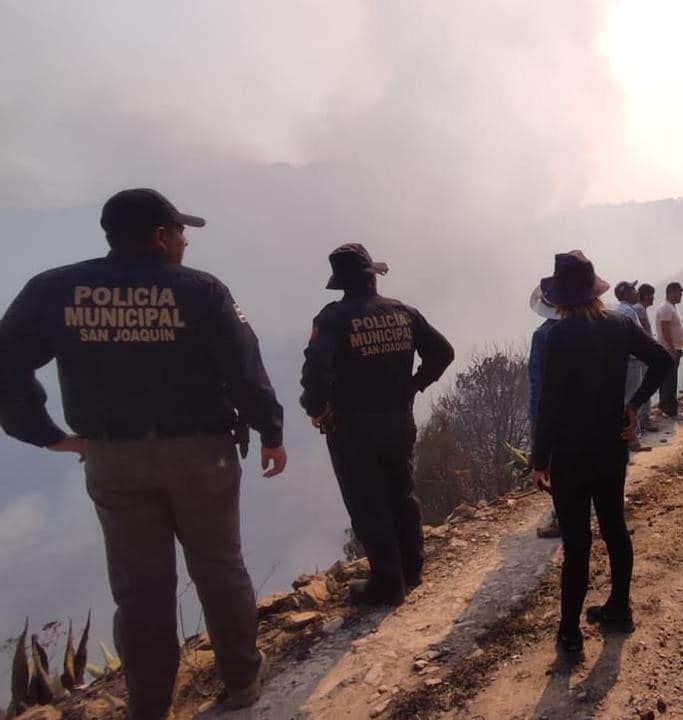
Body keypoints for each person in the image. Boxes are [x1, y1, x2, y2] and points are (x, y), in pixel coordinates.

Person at [0, 188, 287, 719]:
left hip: (115, 460)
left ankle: (150, 706)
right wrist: (271, 430)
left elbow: (4, 365)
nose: (184, 242)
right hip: (202, 455)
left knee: (140, 590)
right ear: (160, 237)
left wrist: (46, 433)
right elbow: (245, 371)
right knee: (220, 569)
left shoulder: (56, 290)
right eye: (180, 233)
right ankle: (243, 683)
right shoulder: (201, 291)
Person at [528, 250, 673, 659]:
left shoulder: (556, 338)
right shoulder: (619, 325)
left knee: (576, 543)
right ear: (594, 289)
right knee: (614, 528)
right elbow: (661, 360)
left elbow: (550, 406)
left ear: (559, 297)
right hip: (610, 444)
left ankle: (570, 634)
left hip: (569, 454)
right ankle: (619, 609)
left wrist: (539, 463)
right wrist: (633, 405)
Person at [300, 244, 454, 606]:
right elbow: (442, 352)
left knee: (367, 501)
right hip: (399, 418)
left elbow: (316, 371)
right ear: (372, 276)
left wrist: (316, 408)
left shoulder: (332, 319)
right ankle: (412, 567)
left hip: (352, 426)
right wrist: (415, 385)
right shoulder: (402, 311)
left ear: (340, 283)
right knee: (401, 491)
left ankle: (387, 583)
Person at [528, 285, 561, 539]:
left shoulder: (543, 335)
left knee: (555, 466)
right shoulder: (587, 327)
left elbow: (537, 381)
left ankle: (561, 516)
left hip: (553, 412)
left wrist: (535, 421)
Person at [612, 281, 648, 450]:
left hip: (622, 360)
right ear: (625, 293)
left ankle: (629, 436)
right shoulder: (628, 311)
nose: (636, 292)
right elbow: (638, 338)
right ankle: (632, 438)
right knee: (631, 399)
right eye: (632, 289)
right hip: (632, 360)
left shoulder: (617, 310)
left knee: (625, 397)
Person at [654, 282, 683, 418]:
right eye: (679, 292)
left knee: (667, 379)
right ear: (672, 292)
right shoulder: (666, 308)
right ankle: (670, 410)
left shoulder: (671, 307)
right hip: (669, 349)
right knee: (670, 380)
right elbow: (665, 330)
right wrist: (672, 349)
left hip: (673, 348)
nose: (681, 295)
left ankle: (663, 406)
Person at [635, 283, 660, 432]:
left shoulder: (639, 309)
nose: (653, 298)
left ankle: (642, 419)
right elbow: (645, 334)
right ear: (646, 295)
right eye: (651, 295)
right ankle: (644, 419)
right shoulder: (639, 310)